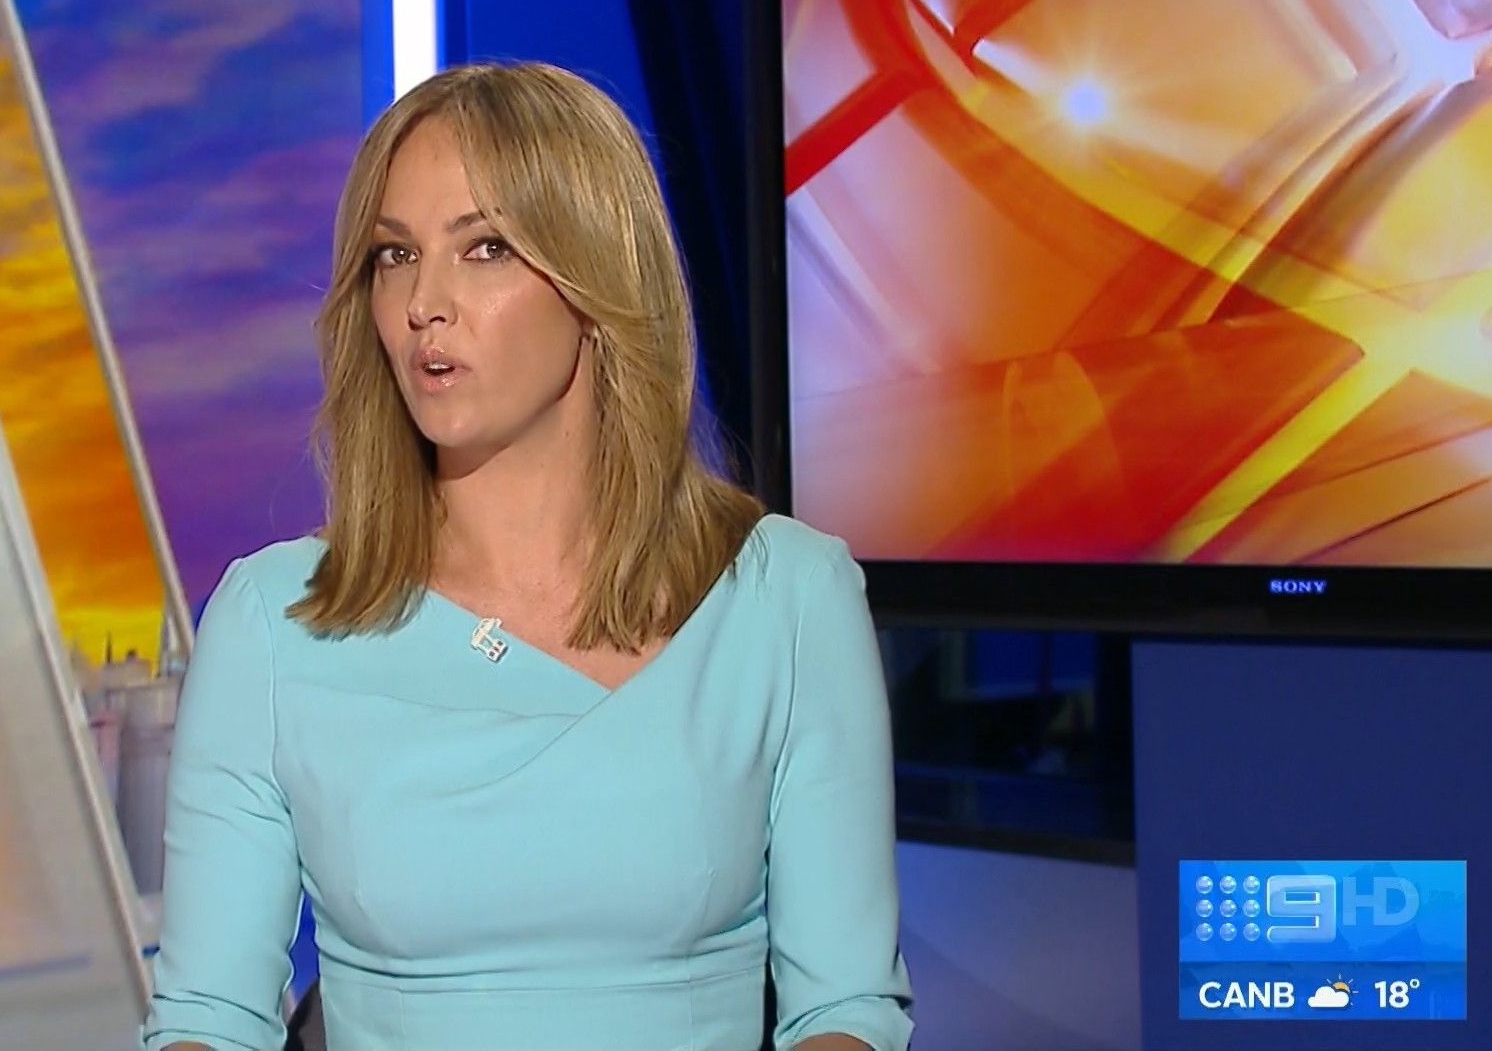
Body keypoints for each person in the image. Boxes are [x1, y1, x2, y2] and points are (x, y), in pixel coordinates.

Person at [140, 61, 914, 1051]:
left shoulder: (788, 600)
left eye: (486, 248)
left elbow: (844, 1010)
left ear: (597, 280)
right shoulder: (274, 622)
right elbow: (208, 1020)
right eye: (394, 255)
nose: (424, 302)